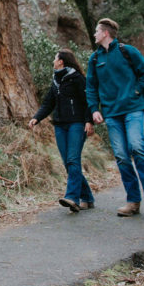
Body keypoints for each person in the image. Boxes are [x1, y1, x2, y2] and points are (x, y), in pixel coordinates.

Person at [85, 18, 144, 219]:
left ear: (105, 33)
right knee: (121, 156)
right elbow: (91, 87)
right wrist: (94, 110)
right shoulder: (94, 59)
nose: (94, 34)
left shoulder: (128, 51)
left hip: (133, 109)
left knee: (137, 147)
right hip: (111, 114)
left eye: (96, 31)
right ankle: (133, 201)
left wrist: (135, 91)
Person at [28, 49, 95, 213]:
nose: (53, 61)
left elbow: (88, 101)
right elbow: (48, 103)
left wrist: (89, 121)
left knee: (72, 160)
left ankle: (72, 197)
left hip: (77, 124)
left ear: (61, 61)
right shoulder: (56, 81)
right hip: (60, 125)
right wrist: (37, 117)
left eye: (55, 58)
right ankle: (87, 197)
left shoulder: (77, 79)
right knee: (68, 163)